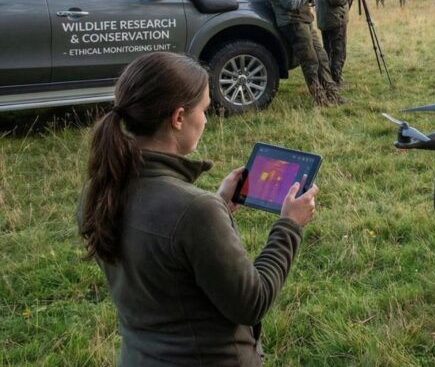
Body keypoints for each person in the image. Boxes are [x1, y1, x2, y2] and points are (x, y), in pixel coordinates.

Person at [77, 52, 318, 366]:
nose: (205, 119)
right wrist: (289, 226)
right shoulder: (195, 211)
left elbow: (166, 264)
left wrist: (218, 204)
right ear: (178, 118)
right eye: (204, 109)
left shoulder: (97, 192)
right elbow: (252, 303)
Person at [267, 0, 339, 106]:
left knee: (322, 57)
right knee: (310, 61)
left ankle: (333, 94)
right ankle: (321, 99)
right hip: (294, 23)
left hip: (304, 20)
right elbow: (289, 3)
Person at [311, 0, 351, 88]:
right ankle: (336, 80)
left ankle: (326, 79)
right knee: (339, 51)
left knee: (328, 50)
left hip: (324, 18)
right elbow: (336, 0)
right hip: (335, 19)